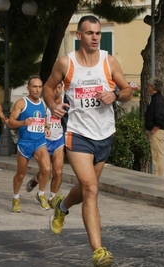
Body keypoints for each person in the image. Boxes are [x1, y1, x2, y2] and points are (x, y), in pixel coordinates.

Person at [43, 15, 132, 267]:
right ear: (79, 35)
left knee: (85, 189)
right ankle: (98, 251)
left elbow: (127, 91)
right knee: (91, 189)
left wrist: (114, 93)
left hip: (104, 134)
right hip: (77, 134)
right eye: (89, 33)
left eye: (98, 33)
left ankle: (62, 206)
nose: (94, 37)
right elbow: (49, 87)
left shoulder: (108, 61)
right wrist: (53, 105)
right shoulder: (66, 63)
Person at [8, 76, 51, 212]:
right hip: (24, 142)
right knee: (21, 174)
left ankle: (41, 194)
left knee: (46, 169)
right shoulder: (21, 103)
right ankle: (15, 197)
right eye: (34, 87)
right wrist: (22, 123)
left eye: (39, 87)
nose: (37, 90)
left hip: (39, 141)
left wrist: (46, 128)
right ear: (28, 88)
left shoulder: (43, 103)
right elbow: (10, 122)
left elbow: (42, 120)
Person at [26, 82, 65, 207]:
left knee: (58, 172)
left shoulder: (66, 102)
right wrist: (43, 127)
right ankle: (36, 179)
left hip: (59, 139)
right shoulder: (43, 103)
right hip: (44, 140)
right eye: (55, 88)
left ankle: (52, 198)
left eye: (59, 87)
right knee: (45, 170)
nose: (57, 90)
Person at [144, 77, 164, 177]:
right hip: (156, 131)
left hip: (158, 132)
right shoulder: (155, 99)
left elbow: (160, 118)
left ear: (153, 87)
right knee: (156, 155)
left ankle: (159, 176)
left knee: (158, 156)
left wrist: (153, 131)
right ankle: (158, 175)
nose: (147, 88)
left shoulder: (158, 100)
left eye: (149, 86)